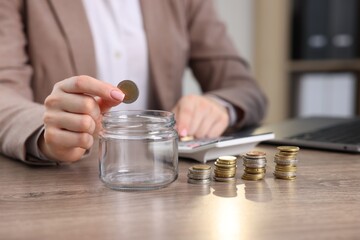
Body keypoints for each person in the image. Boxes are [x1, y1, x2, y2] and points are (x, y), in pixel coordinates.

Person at [0, 0, 267, 165]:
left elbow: (242, 87)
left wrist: (217, 106)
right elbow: (4, 89)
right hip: (67, 185)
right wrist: (48, 131)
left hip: (164, 178)